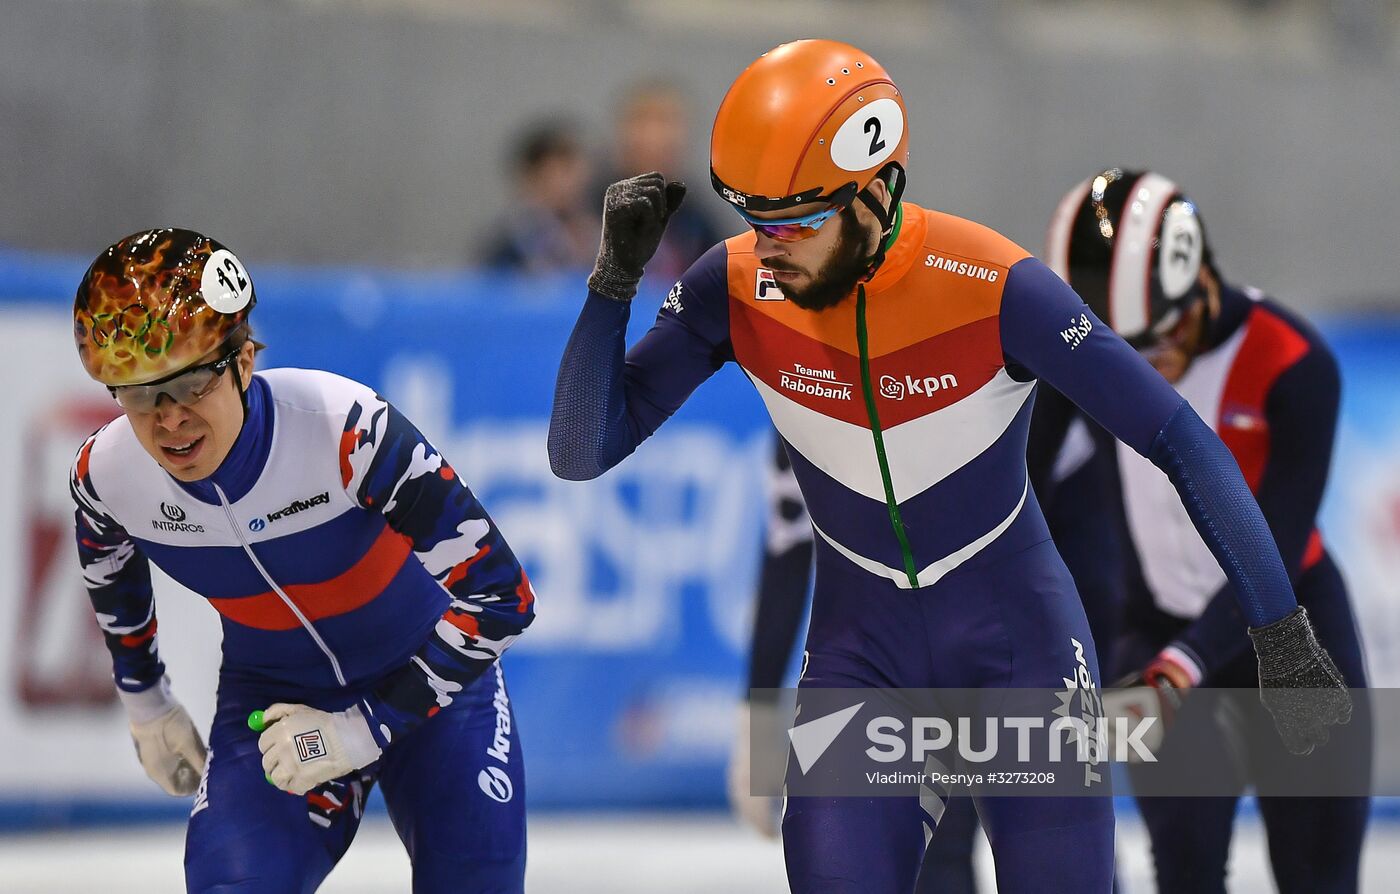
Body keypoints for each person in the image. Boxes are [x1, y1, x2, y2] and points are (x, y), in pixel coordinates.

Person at [547, 40, 1349, 893]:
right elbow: (581, 450)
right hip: (862, 659)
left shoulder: (994, 285)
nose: (768, 247)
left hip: (1020, 654)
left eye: (795, 222)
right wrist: (612, 282)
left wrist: (1283, 640)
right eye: (753, 218)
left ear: (875, 191)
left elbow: (1182, 443)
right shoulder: (734, 286)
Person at [70, 229, 535, 893]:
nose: (169, 420)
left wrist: (362, 728)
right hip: (274, 706)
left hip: (434, 687)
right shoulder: (106, 474)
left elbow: (502, 598)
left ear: (244, 360)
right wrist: (145, 698)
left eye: (192, 382)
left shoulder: (344, 430)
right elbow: (107, 567)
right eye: (140, 393)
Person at [1038, 168, 1371, 893]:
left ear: (1203, 285)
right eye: (1118, 355)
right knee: (1185, 867)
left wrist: (1183, 665)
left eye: (1158, 343)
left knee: (1320, 871)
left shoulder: (1295, 361)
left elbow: (1277, 540)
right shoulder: (1080, 358)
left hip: (1291, 628)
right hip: (1153, 630)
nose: (1142, 372)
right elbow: (1021, 481)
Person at [596, 78, 726, 283]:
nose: (656, 135)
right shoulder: (588, 212)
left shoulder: (699, 223)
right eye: (644, 120)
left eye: (668, 121)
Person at [480, 119, 600, 273]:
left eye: (569, 172)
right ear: (530, 178)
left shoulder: (596, 232)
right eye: (551, 176)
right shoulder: (509, 243)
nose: (563, 185)